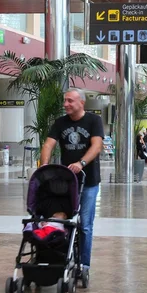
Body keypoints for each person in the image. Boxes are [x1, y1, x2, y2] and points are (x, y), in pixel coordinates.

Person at [40, 88, 104, 277]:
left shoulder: (94, 121)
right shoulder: (60, 123)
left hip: (89, 181)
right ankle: (62, 257)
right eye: (65, 101)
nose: (65, 104)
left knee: (85, 225)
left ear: (81, 103)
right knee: (63, 219)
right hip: (67, 182)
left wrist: (81, 163)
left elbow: (97, 145)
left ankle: (84, 265)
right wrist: (44, 167)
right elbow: (48, 144)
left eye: (70, 101)